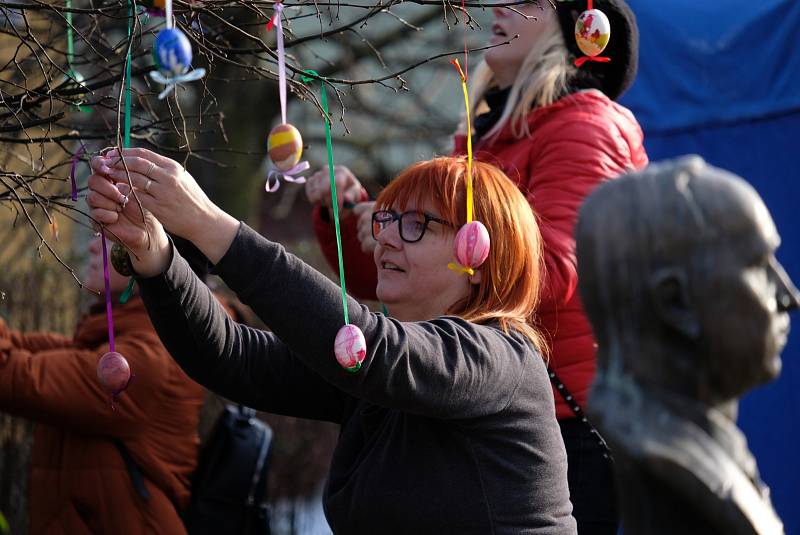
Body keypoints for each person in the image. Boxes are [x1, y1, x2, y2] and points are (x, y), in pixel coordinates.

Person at [87, 149, 578, 534]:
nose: (384, 238)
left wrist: (209, 225)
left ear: (480, 251)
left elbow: (370, 349)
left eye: (415, 224)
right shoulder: (386, 369)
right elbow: (233, 357)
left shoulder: (501, 357)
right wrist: (156, 255)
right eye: (385, 219)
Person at [305, 1, 647, 532]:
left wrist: (442, 240)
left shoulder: (584, 123)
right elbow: (402, 286)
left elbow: (556, 270)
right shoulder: (488, 136)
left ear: (581, 28)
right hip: (479, 395)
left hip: (563, 423)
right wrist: (353, 220)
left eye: (530, 1)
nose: (502, 7)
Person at [576, 156, 797, 535]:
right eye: (759, 266)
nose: (789, 296)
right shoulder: (669, 464)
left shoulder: (704, 444)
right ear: (675, 302)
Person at [0, 236, 207, 534]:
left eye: (112, 238)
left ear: (161, 255)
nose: (93, 246)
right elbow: (20, 351)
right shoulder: (109, 343)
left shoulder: (147, 359)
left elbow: (12, 374)